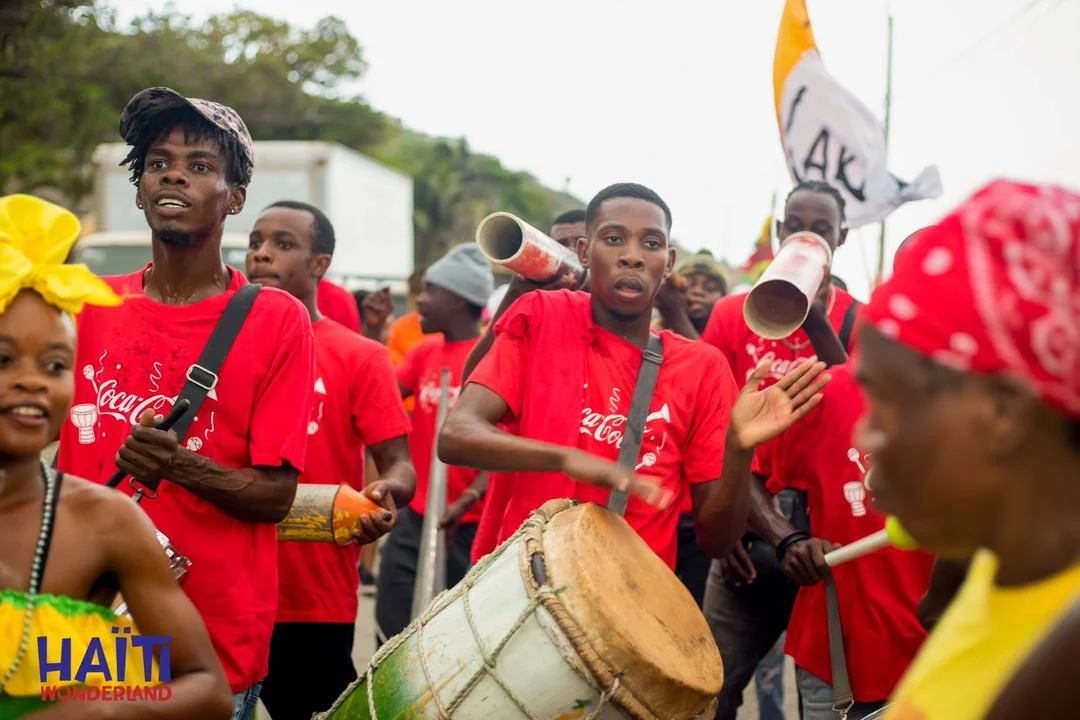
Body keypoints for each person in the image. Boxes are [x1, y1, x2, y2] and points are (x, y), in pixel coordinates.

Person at [55, 87, 315, 719]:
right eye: (158, 162)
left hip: (207, 649)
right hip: (84, 637)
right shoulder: (84, 304)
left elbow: (275, 497)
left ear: (234, 197)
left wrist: (177, 465)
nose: (173, 173)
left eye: (200, 165)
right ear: (141, 189)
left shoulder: (273, 318)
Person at [439, 182, 831, 571]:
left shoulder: (703, 367)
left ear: (669, 261)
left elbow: (717, 541)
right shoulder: (541, 315)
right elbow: (456, 436)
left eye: (651, 243)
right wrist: (565, 458)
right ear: (584, 251)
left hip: (630, 602)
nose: (632, 257)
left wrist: (739, 450)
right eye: (613, 239)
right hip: (520, 580)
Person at [0, 193, 233, 719]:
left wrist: (95, 706)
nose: (32, 381)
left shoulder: (103, 522)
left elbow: (203, 687)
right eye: (4, 358)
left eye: (56, 365)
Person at [854, 180, 1080, 720]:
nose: (865, 437)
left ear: (1002, 412)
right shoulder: (1006, 555)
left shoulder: (1061, 671)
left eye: (885, 404)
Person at [244, 200, 415, 720]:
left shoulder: (359, 355)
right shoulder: (220, 345)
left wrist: (388, 492)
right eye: (255, 243)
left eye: (283, 244)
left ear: (320, 264)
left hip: (310, 597)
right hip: (222, 584)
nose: (262, 256)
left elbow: (399, 463)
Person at [699, 180, 859, 720]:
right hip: (749, 534)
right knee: (709, 687)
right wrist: (738, 527)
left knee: (829, 695)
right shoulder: (729, 316)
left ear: (842, 236)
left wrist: (811, 314)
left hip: (832, 542)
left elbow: (863, 416)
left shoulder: (860, 321)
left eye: (821, 227)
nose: (806, 235)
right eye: (795, 225)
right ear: (779, 231)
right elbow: (714, 430)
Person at [746, 362, 934, 719]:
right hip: (838, 662)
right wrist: (787, 540)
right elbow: (748, 473)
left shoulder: (987, 398)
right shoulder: (828, 390)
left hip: (952, 663)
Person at [374, 244, 494, 642]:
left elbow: (510, 441)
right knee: (391, 617)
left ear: (458, 300)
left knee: (457, 636)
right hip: (419, 513)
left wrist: (471, 498)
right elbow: (381, 399)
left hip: (471, 525)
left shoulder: (491, 357)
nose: (419, 300)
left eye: (429, 291)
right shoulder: (426, 353)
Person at [654, 248, 729, 340]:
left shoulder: (729, 339)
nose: (698, 291)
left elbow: (707, 354)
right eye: (689, 284)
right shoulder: (654, 332)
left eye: (710, 287)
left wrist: (678, 319)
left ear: (724, 297)